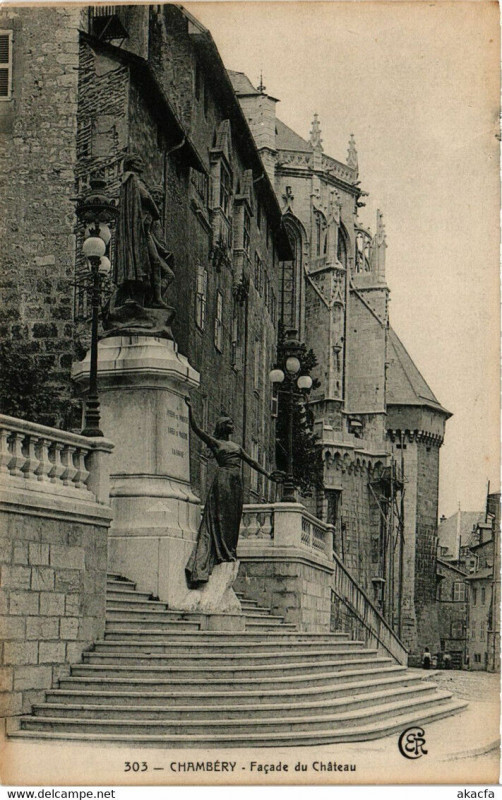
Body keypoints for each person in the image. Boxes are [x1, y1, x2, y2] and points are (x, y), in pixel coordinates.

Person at [184, 396, 282, 589]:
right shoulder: (216, 443)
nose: (232, 425)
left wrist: (268, 474)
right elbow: (197, 430)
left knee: (233, 517)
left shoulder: (237, 447)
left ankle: (229, 550)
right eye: (229, 423)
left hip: (236, 483)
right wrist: (190, 409)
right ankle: (221, 551)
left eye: (232, 423)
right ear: (223, 427)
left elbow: (252, 462)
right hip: (223, 480)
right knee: (221, 516)